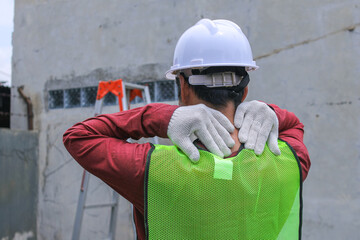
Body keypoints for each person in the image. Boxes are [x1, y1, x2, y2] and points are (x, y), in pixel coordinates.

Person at [64, 19, 310, 239]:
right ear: (244, 91)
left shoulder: (154, 170)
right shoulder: (288, 161)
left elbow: (79, 136)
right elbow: (294, 126)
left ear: (182, 87)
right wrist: (272, 112)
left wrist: (163, 116)